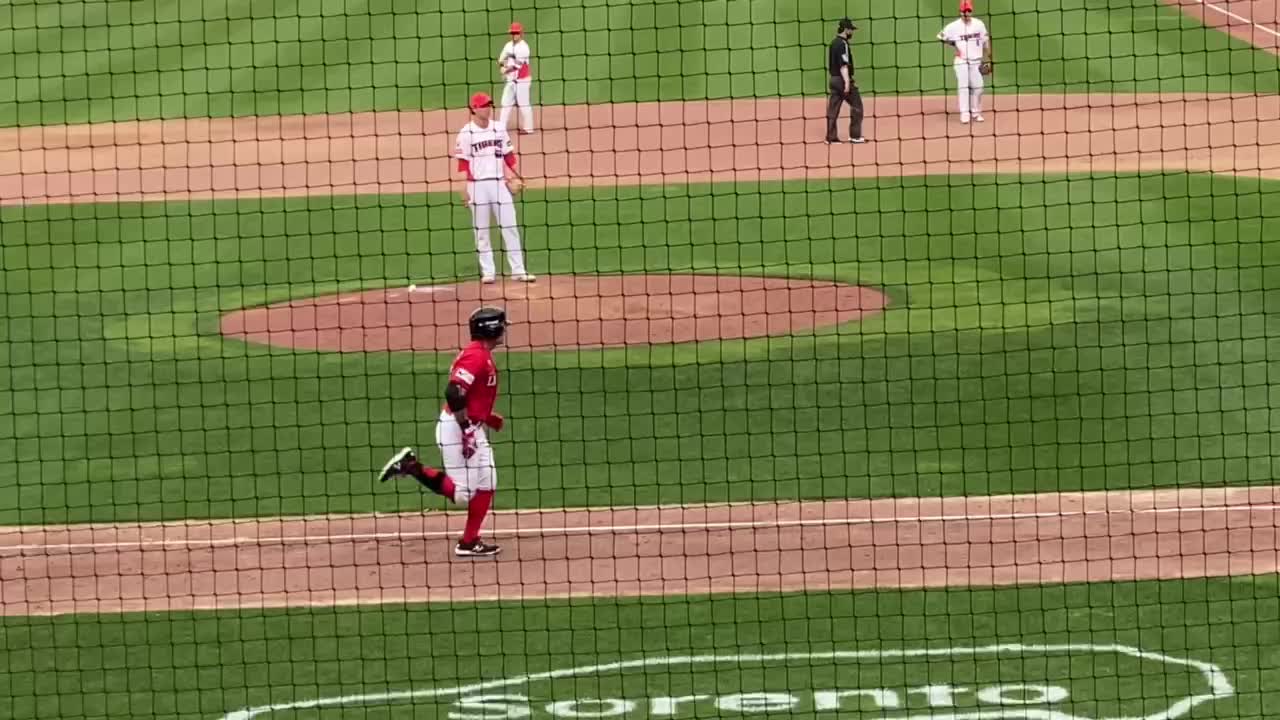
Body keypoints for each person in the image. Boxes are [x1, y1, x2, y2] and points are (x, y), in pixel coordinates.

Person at [378, 306, 511, 557]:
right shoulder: (476, 356)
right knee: (463, 495)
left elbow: (469, 395)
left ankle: (469, 542)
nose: (505, 329)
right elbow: (454, 392)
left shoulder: (481, 354)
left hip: (470, 426)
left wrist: (486, 418)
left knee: (488, 481)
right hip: (457, 429)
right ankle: (411, 466)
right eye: (502, 325)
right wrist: (466, 430)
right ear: (492, 329)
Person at [454, 92, 536, 284]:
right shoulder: (466, 133)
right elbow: (462, 165)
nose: (488, 108)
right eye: (483, 105)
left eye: (489, 104)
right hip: (477, 186)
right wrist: (463, 189)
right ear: (474, 108)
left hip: (500, 184)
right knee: (481, 231)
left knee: (510, 226)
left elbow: (509, 156)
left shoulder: (499, 128)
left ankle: (518, 270)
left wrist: (518, 175)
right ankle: (488, 271)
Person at [936, 0, 993, 124]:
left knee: (979, 87)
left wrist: (989, 57)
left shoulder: (979, 24)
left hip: (977, 61)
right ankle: (965, 113)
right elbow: (940, 36)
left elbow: (986, 40)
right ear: (960, 12)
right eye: (964, 11)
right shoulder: (953, 26)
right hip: (961, 61)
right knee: (963, 87)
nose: (966, 14)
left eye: (968, 11)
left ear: (971, 11)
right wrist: (954, 45)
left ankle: (976, 112)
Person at [825, 17, 866, 145]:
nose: (852, 33)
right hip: (842, 80)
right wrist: (847, 82)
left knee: (833, 110)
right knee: (857, 106)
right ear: (846, 30)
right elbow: (844, 65)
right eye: (851, 30)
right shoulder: (843, 44)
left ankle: (830, 138)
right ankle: (855, 136)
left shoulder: (833, 43)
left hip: (833, 79)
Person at [498, 22, 535, 134]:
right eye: (512, 33)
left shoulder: (524, 47)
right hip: (510, 80)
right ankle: (501, 127)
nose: (514, 35)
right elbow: (501, 59)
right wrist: (502, 66)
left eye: (516, 33)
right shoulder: (508, 45)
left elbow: (517, 66)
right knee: (505, 102)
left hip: (522, 80)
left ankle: (529, 128)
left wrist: (505, 70)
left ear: (521, 33)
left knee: (524, 104)